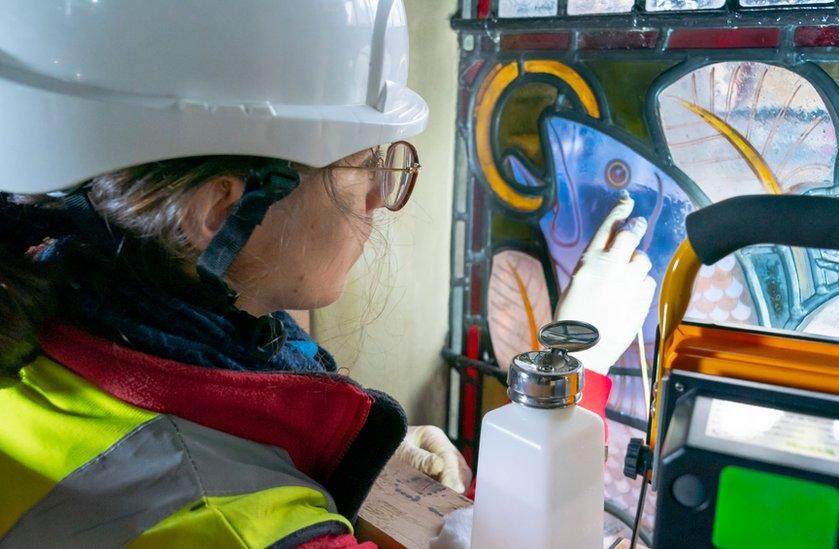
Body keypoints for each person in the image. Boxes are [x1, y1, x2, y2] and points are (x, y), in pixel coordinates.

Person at [0, 1, 655, 547]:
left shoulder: (43, 310)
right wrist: (571, 374)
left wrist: (343, 459)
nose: (378, 194)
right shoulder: (231, 526)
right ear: (218, 213)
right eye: (363, 160)